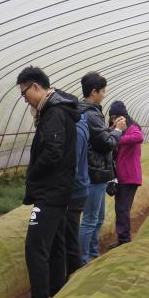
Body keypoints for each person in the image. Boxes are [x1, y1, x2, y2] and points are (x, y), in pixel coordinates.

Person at [12, 66, 79, 298]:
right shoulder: (59, 110)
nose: (24, 98)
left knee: (35, 247)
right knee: (56, 243)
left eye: (24, 93)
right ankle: (56, 291)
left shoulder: (53, 113)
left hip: (51, 191)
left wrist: (34, 174)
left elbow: (52, 151)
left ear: (36, 87)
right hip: (60, 189)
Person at [78, 72, 125, 265]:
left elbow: (99, 138)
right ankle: (83, 260)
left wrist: (110, 129)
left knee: (98, 218)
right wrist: (117, 131)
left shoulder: (92, 112)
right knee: (90, 219)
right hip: (93, 173)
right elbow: (105, 143)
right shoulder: (90, 113)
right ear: (94, 91)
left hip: (98, 173)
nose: (104, 94)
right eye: (103, 91)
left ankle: (93, 254)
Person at [59, 104, 90, 279]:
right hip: (79, 189)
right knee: (69, 234)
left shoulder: (76, 132)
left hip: (74, 191)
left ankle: (72, 276)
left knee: (70, 237)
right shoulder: (81, 126)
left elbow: (73, 167)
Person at [108, 101, 143, 248]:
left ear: (117, 116)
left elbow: (139, 137)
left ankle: (124, 241)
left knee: (122, 209)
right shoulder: (119, 128)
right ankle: (123, 239)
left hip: (129, 176)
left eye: (112, 117)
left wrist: (118, 139)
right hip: (122, 176)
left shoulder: (132, 127)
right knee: (120, 209)